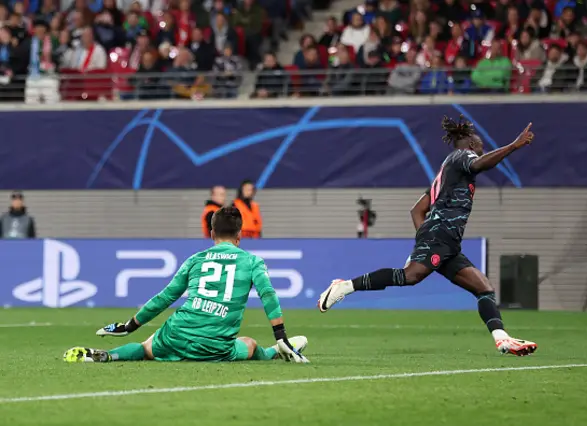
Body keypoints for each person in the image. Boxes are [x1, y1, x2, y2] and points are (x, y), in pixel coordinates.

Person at [318, 115, 538, 357]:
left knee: (483, 288)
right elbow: (481, 165)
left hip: (448, 243)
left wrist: (423, 237)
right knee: (411, 277)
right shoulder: (462, 157)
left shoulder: (447, 175)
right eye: (480, 146)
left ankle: (502, 339)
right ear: (471, 145)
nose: (481, 149)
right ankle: (345, 286)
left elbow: (417, 209)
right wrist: (514, 145)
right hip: (440, 236)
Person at [63, 206, 309, 364]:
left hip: (176, 334)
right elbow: (268, 295)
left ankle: (110, 355)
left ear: (212, 234)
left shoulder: (195, 260)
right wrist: (281, 335)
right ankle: (276, 350)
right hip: (215, 345)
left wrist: (130, 325)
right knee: (250, 344)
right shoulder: (252, 261)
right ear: (239, 236)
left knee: (147, 347)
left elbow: (165, 297)